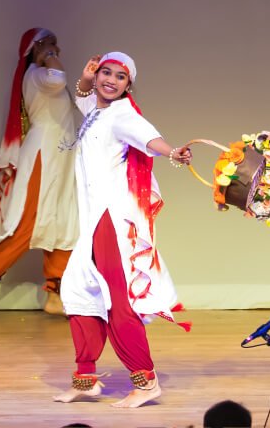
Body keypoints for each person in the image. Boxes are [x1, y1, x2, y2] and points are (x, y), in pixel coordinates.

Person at [53, 52, 193, 409]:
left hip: (111, 220)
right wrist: (84, 80)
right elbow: (83, 97)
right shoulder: (97, 111)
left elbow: (150, 140)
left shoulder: (123, 116)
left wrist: (172, 152)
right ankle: (85, 380)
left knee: (118, 300)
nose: (110, 81)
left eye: (119, 77)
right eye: (105, 73)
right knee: (79, 291)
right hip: (90, 221)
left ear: (129, 85)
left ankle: (145, 382)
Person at [0, 28, 78, 320]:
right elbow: (58, 77)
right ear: (34, 49)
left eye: (56, 44)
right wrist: (49, 57)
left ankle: (55, 294)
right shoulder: (37, 74)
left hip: (63, 156)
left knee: (65, 224)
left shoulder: (40, 76)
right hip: (45, 155)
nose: (54, 49)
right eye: (46, 44)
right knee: (28, 224)